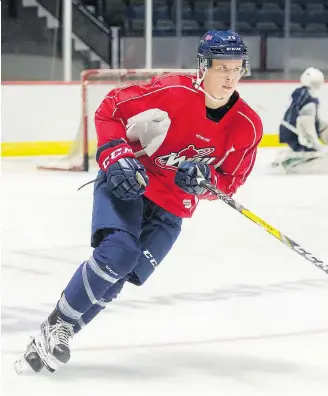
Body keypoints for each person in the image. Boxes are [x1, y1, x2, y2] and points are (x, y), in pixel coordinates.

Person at [15, 30, 263, 374]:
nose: (231, 76)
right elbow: (110, 109)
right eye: (222, 68)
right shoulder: (172, 91)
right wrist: (115, 156)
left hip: (172, 210)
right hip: (131, 184)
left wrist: (205, 183)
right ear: (203, 67)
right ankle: (57, 325)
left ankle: (60, 332)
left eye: (237, 67)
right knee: (117, 253)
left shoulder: (247, 125)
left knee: (119, 275)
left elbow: (229, 182)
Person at [272, 67, 328, 174]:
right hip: (294, 132)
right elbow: (306, 124)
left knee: (308, 150)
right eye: (316, 83)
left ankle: (286, 160)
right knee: (312, 153)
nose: (317, 85)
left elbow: (304, 119)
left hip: (288, 130)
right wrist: (316, 145)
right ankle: (288, 164)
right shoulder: (308, 99)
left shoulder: (300, 93)